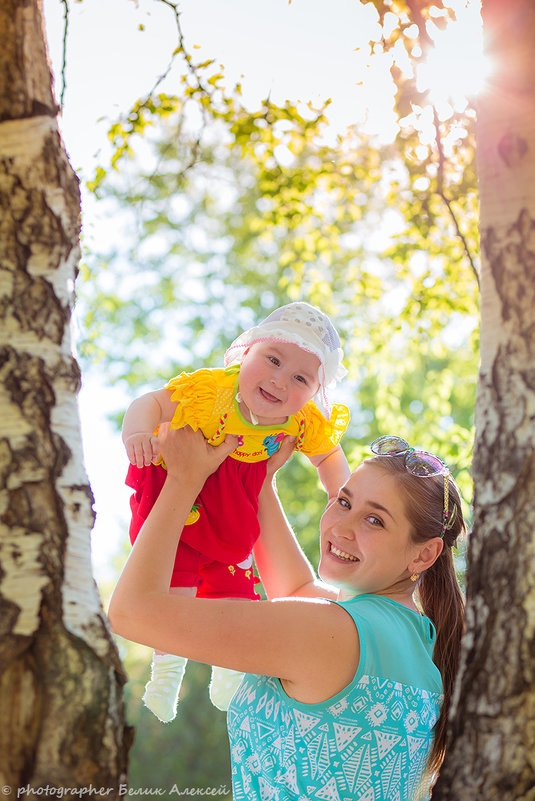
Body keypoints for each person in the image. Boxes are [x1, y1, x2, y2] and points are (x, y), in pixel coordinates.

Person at [109, 427, 466, 800]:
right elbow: (296, 592)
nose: (341, 527)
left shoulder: (328, 631)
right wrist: (258, 479)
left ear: (424, 554)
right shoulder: (415, 638)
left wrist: (184, 480)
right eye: (344, 502)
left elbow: (132, 612)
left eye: (374, 520)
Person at [121, 302, 351, 721]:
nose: (280, 380)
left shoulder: (300, 421)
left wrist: (342, 498)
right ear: (246, 354)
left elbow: (328, 457)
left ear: (314, 391)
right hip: (185, 493)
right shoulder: (213, 392)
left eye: (300, 377)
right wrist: (138, 432)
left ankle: (229, 675)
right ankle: (166, 673)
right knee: (176, 581)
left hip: (235, 501)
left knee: (235, 578)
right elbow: (150, 403)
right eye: (273, 360)